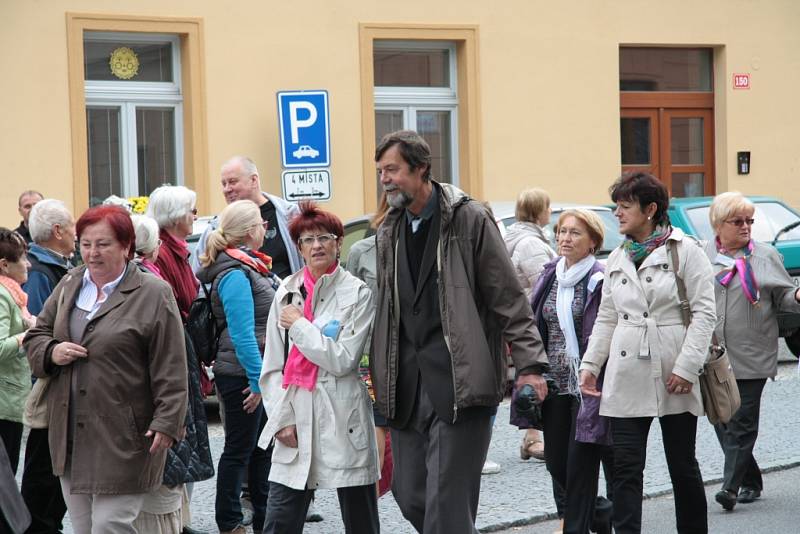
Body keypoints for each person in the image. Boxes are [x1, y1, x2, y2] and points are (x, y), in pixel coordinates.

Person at [371, 130, 549, 533]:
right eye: (381, 171)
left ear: (421, 169)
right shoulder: (389, 230)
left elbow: (508, 297)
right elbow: (387, 310)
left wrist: (531, 366)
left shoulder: (468, 219)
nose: (385, 179)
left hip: (460, 380)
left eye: (393, 170)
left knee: (447, 503)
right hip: (407, 385)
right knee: (409, 492)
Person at [23, 205, 188, 534]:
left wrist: (168, 421)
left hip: (126, 435)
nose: (92, 253)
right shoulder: (71, 283)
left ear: (126, 246)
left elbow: (171, 364)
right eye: (85, 244)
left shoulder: (154, 293)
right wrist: (52, 351)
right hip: (71, 431)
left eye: (103, 244)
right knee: (84, 528)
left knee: (110, 526)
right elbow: (37, 335)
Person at [579, 172, 716, 534]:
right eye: (617, 206)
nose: (617, 214)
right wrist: (591, 364)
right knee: (625, 467)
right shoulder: (618, 258)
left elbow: (704, 314)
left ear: (651, 209)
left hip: (674, 367)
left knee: (682, 465)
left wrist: (687, 368)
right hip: (626, 374)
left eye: (625, 207)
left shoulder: (686, 251)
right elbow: (607, 317)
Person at [259, 201, 379, 534]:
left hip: (343, 415)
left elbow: (342, 359)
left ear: (339, 243)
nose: (316, 246)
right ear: (298, 247)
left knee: (360, 521)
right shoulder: (286, 292)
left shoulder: (357, 293)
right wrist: (280, 419)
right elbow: (272, 369)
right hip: (295, 412)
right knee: (280, 520)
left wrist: (299, 326)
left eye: (324, 238)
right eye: (308, 240)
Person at [702, 192, 800, 511]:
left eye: (749, 221)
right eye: (738, 221)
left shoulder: (765, 256)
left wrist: (797, 295)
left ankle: (730, 488)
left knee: (742, 422)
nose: (746, 227)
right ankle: (752, 479)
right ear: (718, 225)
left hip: (754, 352)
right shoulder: (704, 257)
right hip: (714, 354)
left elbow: (783, 297)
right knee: (722, 419)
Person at [525, 209, 613, 534]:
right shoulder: (551, 275)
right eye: (561, 231)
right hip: (554, 385)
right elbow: (535, 325)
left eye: (574, 233)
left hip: (587, 386)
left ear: (593, 241)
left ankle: (577, 527)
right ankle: (601, 513)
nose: (565, 238)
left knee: (579, 466)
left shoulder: (600, 280)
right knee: (556, 464)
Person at [197, 200, 277, 534]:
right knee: (239, 450)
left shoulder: (250, 267)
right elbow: (244, 334)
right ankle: (229, 522)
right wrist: (260, 383)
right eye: (261, 224)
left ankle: (263, 515)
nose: (265, 229)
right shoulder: (234, 273)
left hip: (253, 371)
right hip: (243, 375)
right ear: (248, 231)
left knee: (260, 449)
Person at [145, 188, 215, 534]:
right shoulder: (162, 254)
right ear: (175, 216)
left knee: (187, 442)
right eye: (192, 209)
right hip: (175, 350)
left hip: (186, 348)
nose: (196, 215)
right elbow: (175, 305)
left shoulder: (178, 250)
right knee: (179, 439)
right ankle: (174, 522)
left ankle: (180, 520)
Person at [20, 199, 74, 534]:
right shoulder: (41, 273)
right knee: (43, 473)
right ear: (57, 231)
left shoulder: (54, 268)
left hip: (58, 381)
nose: (75, 232)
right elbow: (38, 333)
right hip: (47, 384)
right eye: (71, 226)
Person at [344, 193, 391, 494]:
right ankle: (370, 496)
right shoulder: (361, 252)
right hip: (371, 351)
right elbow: (349, 306)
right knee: (377, 420)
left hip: (414, 353)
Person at [504, 188, 556, 462]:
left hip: (524, 317)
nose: (550, 211)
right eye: (548, 206)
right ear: (538, 210)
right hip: (533, 318)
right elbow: (545, 284)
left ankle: (532, 436)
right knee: (536, 374)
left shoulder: (520, 237)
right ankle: (532, 437)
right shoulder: (530, 244)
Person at [190, 155, 302, 278]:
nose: (226, 189)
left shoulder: (290, 215)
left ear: (254, 180)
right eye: (224, 184)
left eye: (232, 182)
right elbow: (198, 278)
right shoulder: (216, 228)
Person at [0, 229, 33, 474]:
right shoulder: (3, 295)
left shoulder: (13, 294)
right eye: (22, 258)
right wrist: (28, 335)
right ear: (4, 265)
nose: (28, 264)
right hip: (4, 402)